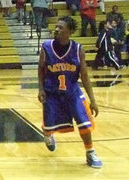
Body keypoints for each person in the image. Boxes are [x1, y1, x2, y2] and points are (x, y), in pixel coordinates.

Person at [39, 16, 102, 169]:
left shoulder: (78, 49)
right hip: (52, 92)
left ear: (70, 31)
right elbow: (41, 70)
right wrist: (40, 88)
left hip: (72, 92)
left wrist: (92, 100)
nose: (56, 29)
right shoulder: (46, 47)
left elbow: (85, 76)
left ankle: (90, 152)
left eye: (61, 27)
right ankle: (48, 134)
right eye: (56, 26)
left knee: (84, 122)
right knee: (49, 126)